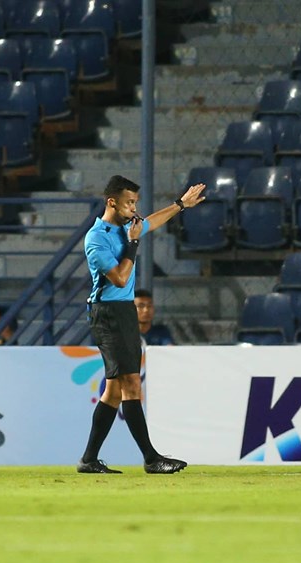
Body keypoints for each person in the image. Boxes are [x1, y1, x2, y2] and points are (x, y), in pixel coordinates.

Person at [77, 175, 205, 474]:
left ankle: (89, 459)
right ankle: (151, 458)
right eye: (129, 202)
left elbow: (152, 221)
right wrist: (133, 242)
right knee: (131, 384)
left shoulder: (126, 226)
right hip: (108, 313)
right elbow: (120, 278)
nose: (135, 209)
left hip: (122, 312)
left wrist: (180, 205)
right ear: (112, 202)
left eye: (135, 202)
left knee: (114, 391)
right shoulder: (97, 238)